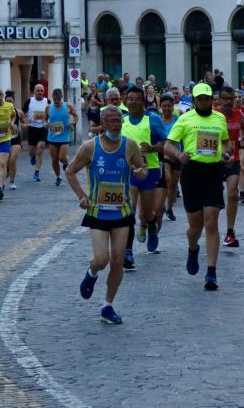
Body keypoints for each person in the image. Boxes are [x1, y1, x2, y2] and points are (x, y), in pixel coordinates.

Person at [68, 106, 147, 325]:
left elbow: (142, 169)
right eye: (111, 121)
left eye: (119, 120)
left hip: (122, 211)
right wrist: (81, 196)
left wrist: (141, 172)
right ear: (102, 123)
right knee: (102, 259)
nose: (116, 124)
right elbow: (70, 171)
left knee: (117, 261)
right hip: (97, 212)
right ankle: (92, 271)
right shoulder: (89, 147)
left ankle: (107, 305)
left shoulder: (129, 145)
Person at [166, 83, 232, 290]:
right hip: (192, 173)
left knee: (211, 223)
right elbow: (168, 145)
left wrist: (226, 154)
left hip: (213, 172)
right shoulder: (185, 119)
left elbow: (226, 142)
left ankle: (211, 272)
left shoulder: (219, 118)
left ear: (212, 99)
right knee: (195, 227)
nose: (204, 102)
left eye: (207, 98)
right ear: (194, 100)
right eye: (200, 99)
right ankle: (193, 248)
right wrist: (179, 155)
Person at [122, 86, 168, 267]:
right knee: (129, 211)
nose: (133, 102)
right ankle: (128, 251)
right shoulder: (122, 120)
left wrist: (152, 148)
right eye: (130, 99)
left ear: (143, 102)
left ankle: (151, 225)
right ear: (126, 101)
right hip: (129, 172)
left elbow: (167, 143)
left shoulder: (153, 119)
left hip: (150, 170)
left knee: (147, 213)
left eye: (136, 99)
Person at [217, 86, 244, 248]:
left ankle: (230, 232)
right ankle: (212, 229)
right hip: (214, 161)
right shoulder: (213, 114)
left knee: (233, 194)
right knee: (214, 198)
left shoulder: (238, 114)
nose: (228, 102)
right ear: (220, 99)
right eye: (225, 99)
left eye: (231, 98)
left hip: (232, 159)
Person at [45, 88, 77, 186]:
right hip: (52, 137)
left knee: (62, 158)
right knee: (54, 159)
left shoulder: (67, 106)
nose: (56, 101)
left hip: (64, 136)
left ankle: (65, 161)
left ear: (61, 97)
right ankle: (58, 176)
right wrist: (46, 124)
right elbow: (45, 119)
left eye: (58, 99)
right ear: (52, 97)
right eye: (55, 99)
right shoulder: (48, 108)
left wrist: (72, 124)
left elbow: (76, 116)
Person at [159, 93, 182, 222]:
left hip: (177, 154)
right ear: (160, 106)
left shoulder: (178, 120)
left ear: (173, 106)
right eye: (164, 106)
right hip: (163, 154)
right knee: (167, 179)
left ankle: (169, 208)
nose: (167, 108)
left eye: (169, 106)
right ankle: (161, 205)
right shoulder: (158, 120)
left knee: (173, 184)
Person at [24, 84, 50, 181]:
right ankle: (32, 156)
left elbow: (51, 114)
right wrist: (26, 120)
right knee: (32, 152)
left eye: (41, 91)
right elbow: (23, 113)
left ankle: (37, 172)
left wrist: (48, 122)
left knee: (40, 150)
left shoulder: (47, 102)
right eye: (38, 90)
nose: (40, 92)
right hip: (32, 128)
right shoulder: (29, 101)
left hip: (42, 128)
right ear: (34, 91)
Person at [4, 91, 24, 190]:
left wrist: (24, 125)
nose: (9, 103)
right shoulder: (1, 113)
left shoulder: (19, 112)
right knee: (7, 163)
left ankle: (12, 181)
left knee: (13, 159)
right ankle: (7, 171)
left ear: (14, 101)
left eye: (10, 101)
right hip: (5, 140)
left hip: (16, 140)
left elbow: (25, 122)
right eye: (7, 101)